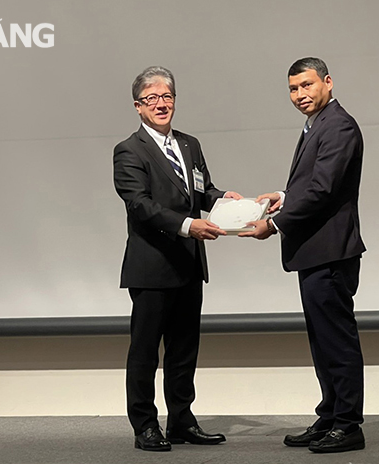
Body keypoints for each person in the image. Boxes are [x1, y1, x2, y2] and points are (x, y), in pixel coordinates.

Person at [240, 57, 367, 454]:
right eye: (294, 89)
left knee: (337, 341)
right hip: (315, 252)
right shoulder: (317, 125)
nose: (300, 95)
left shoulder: (339, 125)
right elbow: (310, 184)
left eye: (307, 85)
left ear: (327, 82)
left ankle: (348, 425)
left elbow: (323, 190)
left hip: (330, 252)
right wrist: (282, 196)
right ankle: (330, 416)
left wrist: (275, 224)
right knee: (321, 341)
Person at [113, 66, 241, 452]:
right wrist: (188, 226)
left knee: (184, 351)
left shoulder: (189, 144)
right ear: (138, 107)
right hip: (152, 268)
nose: (161, 104)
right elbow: (141, 206)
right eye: (152, 98)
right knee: (146, 352)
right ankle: (145, 426)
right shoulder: (129, 151)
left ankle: (182, 421)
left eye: (167, 96)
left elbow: (199, 191)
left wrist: (222, 200)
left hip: (188, 265)